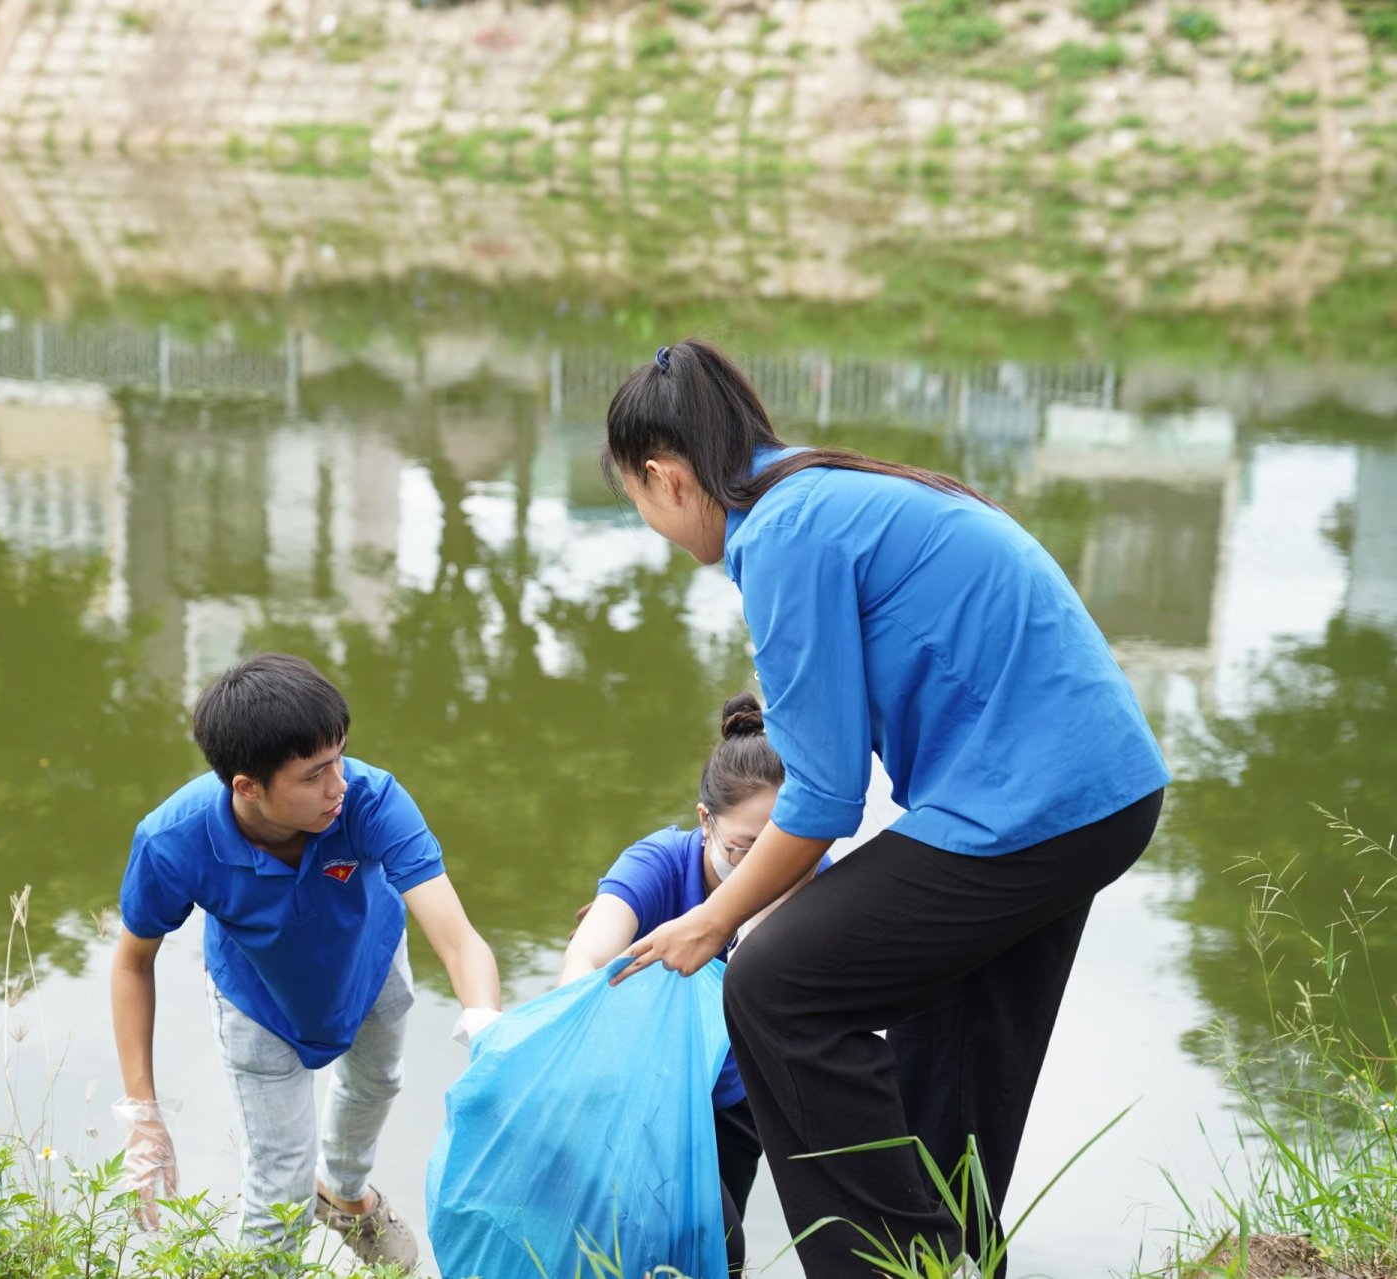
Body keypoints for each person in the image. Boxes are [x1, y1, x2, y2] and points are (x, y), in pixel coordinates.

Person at [602, 339, 1170, 1276]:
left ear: (664, 478)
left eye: (636, 501)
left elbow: (822, 799)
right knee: (950, 1045)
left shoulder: (784, 533)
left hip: (1027, 800)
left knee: (775, 984)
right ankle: (946, 1261)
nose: (655, 524)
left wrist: (712, 918)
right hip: (1091, 790)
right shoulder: (819, 493)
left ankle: (880, 1268)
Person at [110, 653, 503, 1267]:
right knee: (277, 1192)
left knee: (378, 1082)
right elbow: (133, 963)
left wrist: (487, 1027)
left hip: (370, 966)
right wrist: (143, 1111)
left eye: (340, 757)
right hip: (260, 1001)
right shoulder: (173, 840)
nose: (338, 784)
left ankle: (344, 1194)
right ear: (246, 787)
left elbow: (457, 938)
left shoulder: (369, 801)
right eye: (314, 774)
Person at [560, 692, 829, 1275]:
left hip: (737, 1097)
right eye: (749, 849)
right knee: (702, 1241)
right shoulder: (660, 863)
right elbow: (584, 961)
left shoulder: (817, 881)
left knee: (710, 1261)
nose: (769, 867)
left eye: (788, 850)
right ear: (706, 822)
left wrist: (768, 914)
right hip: (642, 1091)